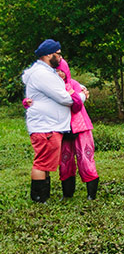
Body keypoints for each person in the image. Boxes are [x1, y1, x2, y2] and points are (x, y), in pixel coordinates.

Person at [22, 39, 76, 203]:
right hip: (46, 125)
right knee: (42, 163)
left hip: (49, 124)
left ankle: (43, 196)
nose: (60, 58)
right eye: (58, 54)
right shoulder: (42, 74)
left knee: (45, 163)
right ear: (47, 55)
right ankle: (39, 198)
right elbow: (64, 98)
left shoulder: (46, 72)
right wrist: (80, 96)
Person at [57, 59, 99, 199]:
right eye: (56, 71)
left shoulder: (74, 84)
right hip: (62, 127)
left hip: (81, 126)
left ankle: (91, 194)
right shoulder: (52, 86)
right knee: (65, 160)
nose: (59, 73)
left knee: (85, 158)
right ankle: (67, 194)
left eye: (62, 70)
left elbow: (78, 104)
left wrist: (73, 94)